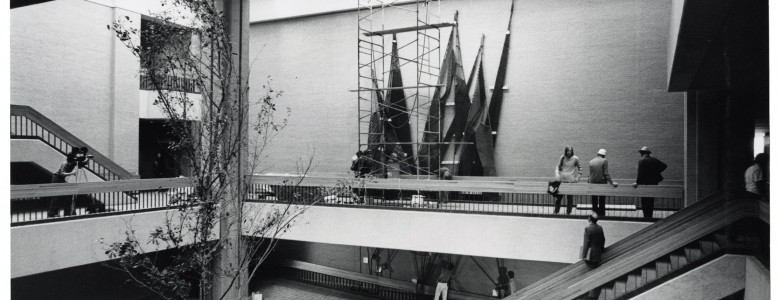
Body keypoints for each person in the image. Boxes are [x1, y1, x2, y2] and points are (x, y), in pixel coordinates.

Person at [631, 146, 667, 219]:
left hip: (644, 184)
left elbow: (640, 174)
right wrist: (656, 172)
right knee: (651, 201)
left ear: (642, 153)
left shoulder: (641, 161)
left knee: (644, 201)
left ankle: (646, 216)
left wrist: (637, 183)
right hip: (653, 183)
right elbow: (664, 166)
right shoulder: (653, 160)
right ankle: (650, 216)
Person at [47, 149, 81, 217]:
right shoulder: (65, 163)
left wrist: (88, 159)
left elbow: (81, 164)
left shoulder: (73, 161)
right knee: (56, 196)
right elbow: (62, 173)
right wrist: (72, 173)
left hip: (61, 179)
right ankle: (52, 213)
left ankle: (67, 212)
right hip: (57, 178)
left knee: (68, 193)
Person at [581, 212, 606, 299]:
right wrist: (602, 248)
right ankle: (594, 294)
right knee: (595, 273)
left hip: (590, 255)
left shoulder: (588, 229)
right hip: (597, 254)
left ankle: (591, 295)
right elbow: (603, 239)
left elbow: (586, 243)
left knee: (589, 274)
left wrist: (583, 255)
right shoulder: (600, 228)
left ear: (590, 219)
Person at [588, 149, 618, 216]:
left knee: (594, 200)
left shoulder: (591, 161)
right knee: (602, 200)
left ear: (597, 154)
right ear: (604, 155)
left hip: (592, 184)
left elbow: (590, 174)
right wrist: (612, 182)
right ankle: (602, 215)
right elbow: (606, 173)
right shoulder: (604, 160)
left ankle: (594, 214)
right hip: (602, 183)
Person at [553, 146, 582, 214]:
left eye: (570, 150)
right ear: (565, 151)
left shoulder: (575, 159)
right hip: (561, 180)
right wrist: (556, 173)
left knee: (569, 198)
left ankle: (568, 212)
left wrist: (577, 177)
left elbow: (580, 168)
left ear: (572, 151)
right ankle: (556, 211)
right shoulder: (562, 157)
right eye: (567, 150)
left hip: (570, 181)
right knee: (559, 197)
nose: (569, 152)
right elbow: (557, 166)